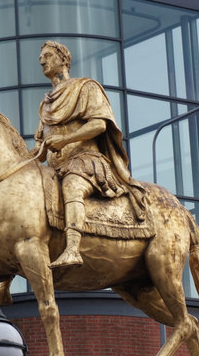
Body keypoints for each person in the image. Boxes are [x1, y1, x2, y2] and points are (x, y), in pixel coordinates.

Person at [32, 41, 147, 269]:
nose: (42, 60)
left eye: (47, 56)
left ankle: (73, 249)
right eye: (41, 58)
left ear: (63, 59)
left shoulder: (86, 87)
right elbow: (38, 149)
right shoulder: (45, 105)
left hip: (86, 162)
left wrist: (65, 140)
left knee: (72, 185)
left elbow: (99, 125)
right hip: (55, 169)